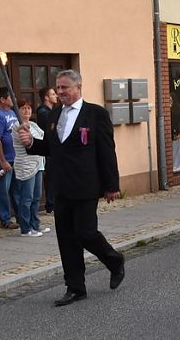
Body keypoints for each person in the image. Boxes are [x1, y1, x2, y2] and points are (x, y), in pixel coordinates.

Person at [18, 70, 124, 307]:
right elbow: (53, 148)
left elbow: (107, 151)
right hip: (61, 187)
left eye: (64, 87)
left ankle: (114, 260)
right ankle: (75, 287)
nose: (60, 92)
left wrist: (111, 185)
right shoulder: (55, 114)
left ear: (78, 88)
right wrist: (32, 143)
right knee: (66, 238)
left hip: (86, 185)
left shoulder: (95, 114)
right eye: (58, 87)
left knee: (85, 233)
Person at [11, 99, 47, 237]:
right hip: (26, 164)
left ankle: (35, 225)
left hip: (38, 163)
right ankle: (25, 228)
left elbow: (42, 138)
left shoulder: (33, 125)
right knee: (27, 197)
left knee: (36, 197)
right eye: (23, 108)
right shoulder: (16, 126)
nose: (27, 111)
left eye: (28, 108)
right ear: (17, 111)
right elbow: (26, 140)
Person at [0, 87, 19, 229]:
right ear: (2, 99)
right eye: (10, 97)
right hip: (2, 160)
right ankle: (5, 219)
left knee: (17, 190)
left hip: (15, 158)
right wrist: (2, 161)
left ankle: (21, 217)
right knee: (2, 191)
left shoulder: (12, 112)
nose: (14, 99)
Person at [36, 86, 57, 213]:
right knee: (50, 176)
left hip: (53, 147)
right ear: (46, 97)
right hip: (48, 147)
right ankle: (50, 204)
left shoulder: (52, 111)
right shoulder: (43, 112)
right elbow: (49, 129)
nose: (56, 96)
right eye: (53, 94)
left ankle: (53, 202)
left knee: (54, 175)